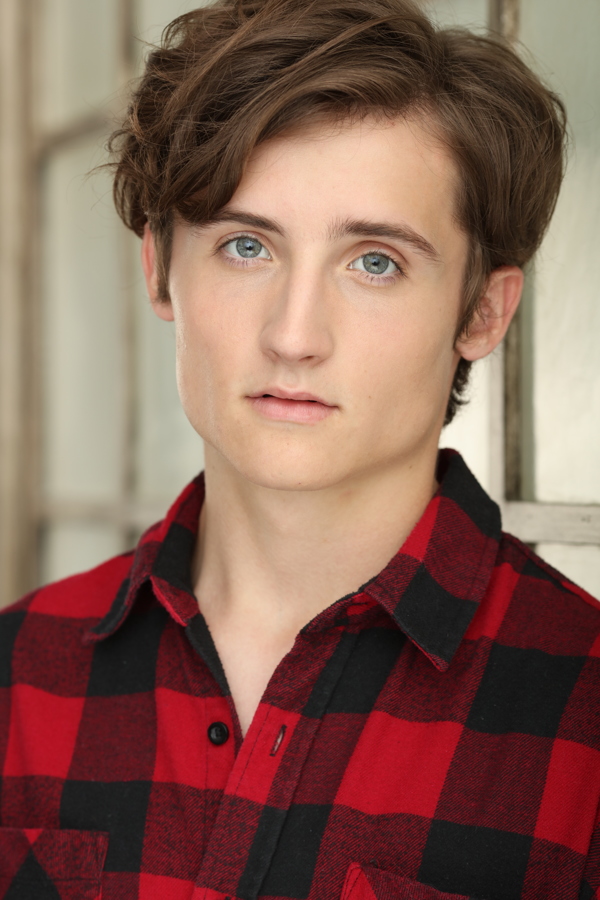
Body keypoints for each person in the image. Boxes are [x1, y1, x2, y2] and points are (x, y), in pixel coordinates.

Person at [1, 0, 599, 897]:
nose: (293, 335)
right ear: (161, 268)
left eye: (375, 262)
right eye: (246, 246)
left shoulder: (583, 708)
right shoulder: (16, 672)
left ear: (483, 311)